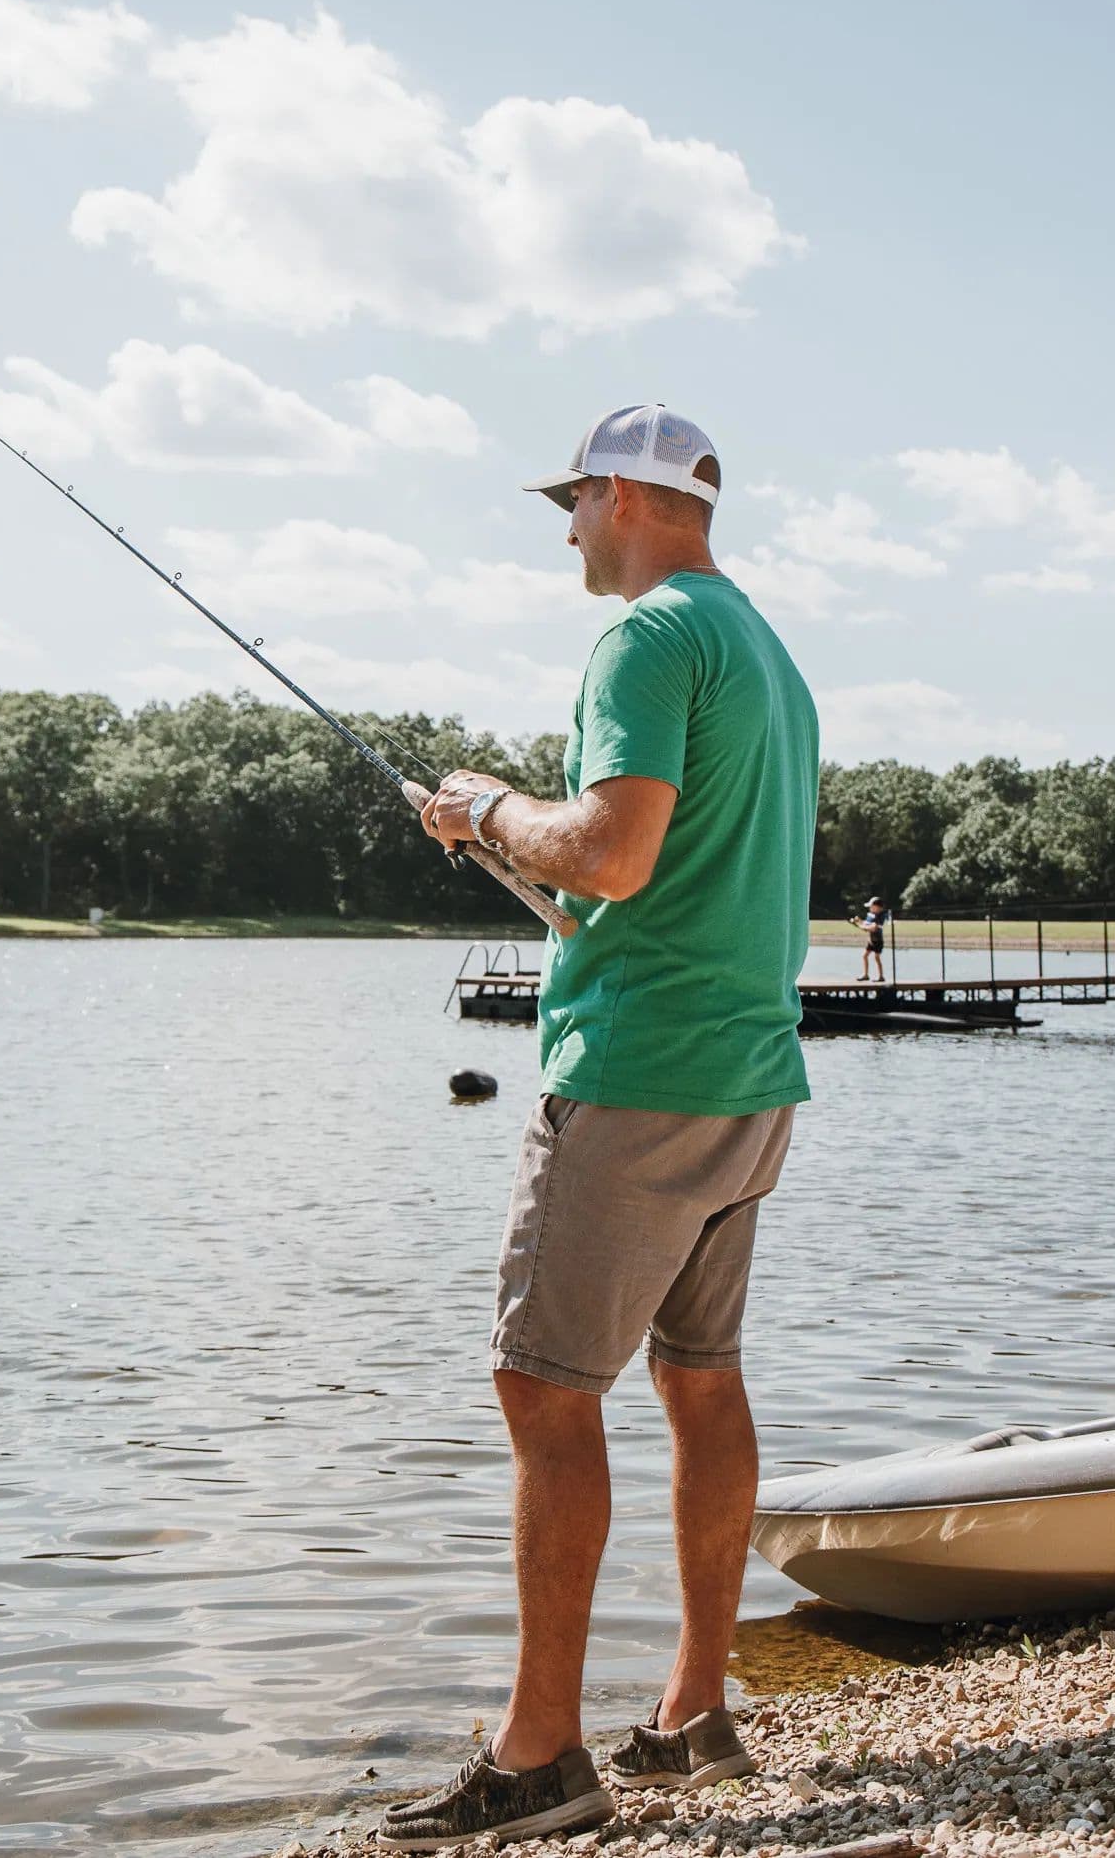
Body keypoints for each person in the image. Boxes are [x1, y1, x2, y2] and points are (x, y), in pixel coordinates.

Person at [382, 404, 819, 1850]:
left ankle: (539, 1757)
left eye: (572, 500)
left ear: (627, 496)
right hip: (747, 1073)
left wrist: (490, 804)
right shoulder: (765, 651)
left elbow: (615, 854)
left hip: (638, 1077)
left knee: (543, 1387)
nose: (566, 527)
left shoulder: (645, 638)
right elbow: (671, 872)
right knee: (700, 1376)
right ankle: (694, 1710)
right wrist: (517, 838)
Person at [856, 895, 889, 982]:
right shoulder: (871, 915)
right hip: (871, 941)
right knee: (865, 956)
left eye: (871, 906)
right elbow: (866, 924)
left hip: (878, 941)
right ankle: (866, 975)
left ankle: (881, 977)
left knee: (877, 958)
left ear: (878, 907)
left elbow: (873, 928)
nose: (870, 908)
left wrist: (862, 927)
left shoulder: (880, 916)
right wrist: (859, 921)